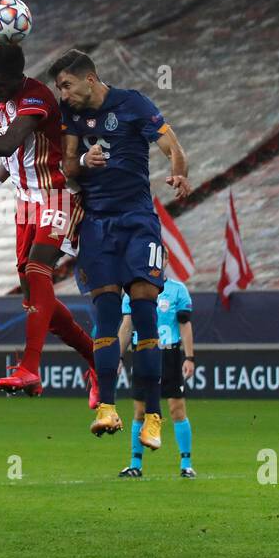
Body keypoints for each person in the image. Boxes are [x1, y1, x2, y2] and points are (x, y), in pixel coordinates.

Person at [0, 43, 98, 404]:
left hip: (58, 192)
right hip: (25, 201)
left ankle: (29, 366)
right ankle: (97, 359)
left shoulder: (37, 98)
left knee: (38, 269)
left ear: (17, 79)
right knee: (31, 292)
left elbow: (7, 142)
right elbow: (13, 153)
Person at [52, 48, 191, 445]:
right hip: (96, 225)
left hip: (138, 222)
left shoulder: (133, 103)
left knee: (146, 314)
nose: (63, 95)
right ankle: (107, 408)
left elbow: (171, 146)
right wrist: (83, 158)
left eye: (67, 85)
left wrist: (178, 174)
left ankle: (152, 416)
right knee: (106, 316)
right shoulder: (71, 116)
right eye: (59, 88)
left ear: (90, 79)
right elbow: (67, 166)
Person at [117, 277, 197, 478]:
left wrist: (189, 357)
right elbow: (127, 325)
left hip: (169, 354)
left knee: (176, 409)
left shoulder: (178, 290)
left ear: (166, 260)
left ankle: (186, 464)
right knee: (140, 411)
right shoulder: (132, 289)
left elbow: (185, 324)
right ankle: (135, 465)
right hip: (143, 352)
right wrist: (117, 357)